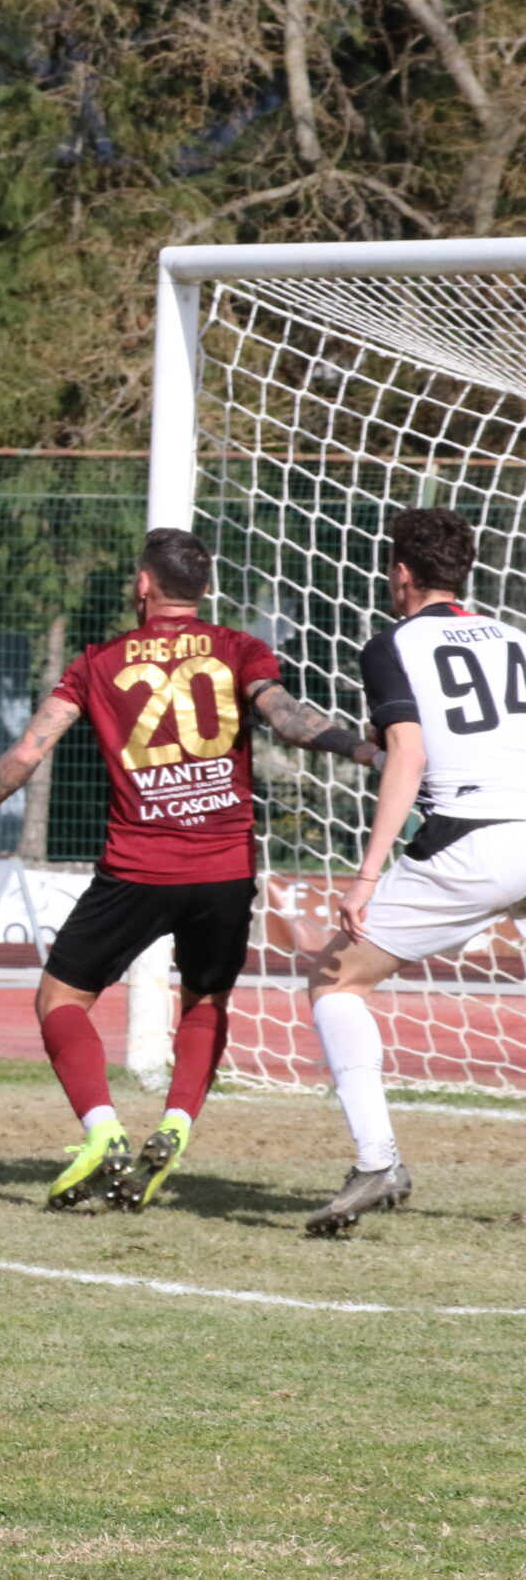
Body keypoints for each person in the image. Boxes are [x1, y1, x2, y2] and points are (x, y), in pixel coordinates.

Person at [0, 527, 381, 1211]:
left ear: (144, 584)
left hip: (138, 868)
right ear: (203, 589)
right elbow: (289, 721)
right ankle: (175, 1124)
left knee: (60, 999)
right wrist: (366, 751)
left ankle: (104, 1130)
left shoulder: (100, 661)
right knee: (205, 1001)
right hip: (225, 869)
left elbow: (28, 750)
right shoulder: (240, 649)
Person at [301, 509, 526, 1233]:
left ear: (400, 573)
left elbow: (410, 753)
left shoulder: (392, 643)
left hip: (473, 841)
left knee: (336, 977)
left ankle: (378, 1160)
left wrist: (365, 876)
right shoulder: (516, 639)